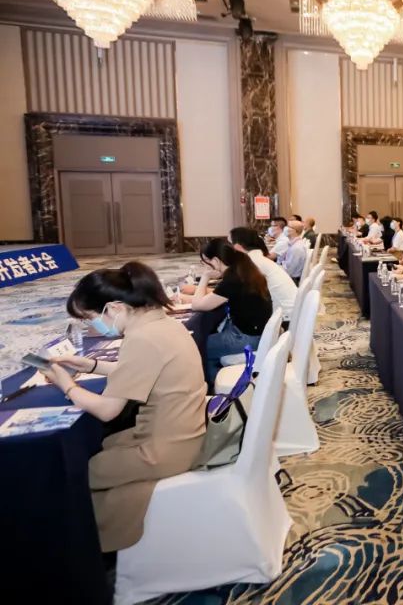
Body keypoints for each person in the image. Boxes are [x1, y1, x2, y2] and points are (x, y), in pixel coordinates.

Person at [45, 261, 206, 552]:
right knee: (105, 447)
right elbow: (142, 369)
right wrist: (91, 365)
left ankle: (79, 550)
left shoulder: (142, 338)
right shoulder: (163, 324)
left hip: (162, 451)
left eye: (90, 318)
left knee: (69, 473)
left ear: (115, 308)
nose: (91, 326)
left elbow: (108, 410)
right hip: (185, 436)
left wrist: (66, 385)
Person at [192, 238, 273, 382]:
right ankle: (216, 381)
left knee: (197, 346)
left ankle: (216, 386)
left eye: (206, 263)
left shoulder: (232, 279)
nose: (206, 267)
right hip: (257, 333)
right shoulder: (244, 270)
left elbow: (197, 305)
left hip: (246, 338)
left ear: (215, 260)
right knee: (208, 338)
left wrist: (205, 277)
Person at [228, 227, 298, 326]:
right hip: (291, 313)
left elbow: (230, 292)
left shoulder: (251, 263)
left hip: (284, 320)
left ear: (237, 247)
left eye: (229, 244)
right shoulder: (258, 258)